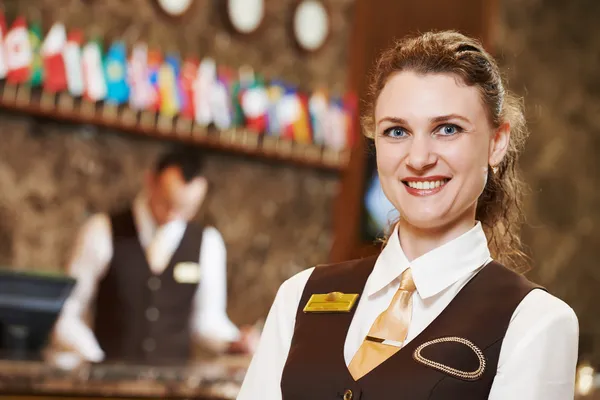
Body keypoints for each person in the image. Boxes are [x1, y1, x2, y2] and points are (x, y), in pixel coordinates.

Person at [237, 31, 579, 399]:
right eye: (397, 131)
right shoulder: (299, 296)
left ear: (496, 143)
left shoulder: (534, 322)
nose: (418, 159)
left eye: (448, 129)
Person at [51, 148, 257, 366]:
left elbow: (207, 319)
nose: (172, 215)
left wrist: (235, 342)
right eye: (166, 203)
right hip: (108, 387)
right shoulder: (102, 231)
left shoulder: (208, 243)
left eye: (185, 209)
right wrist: (95, 358)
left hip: (174, 388)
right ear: (151, 181)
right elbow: (67, 311)